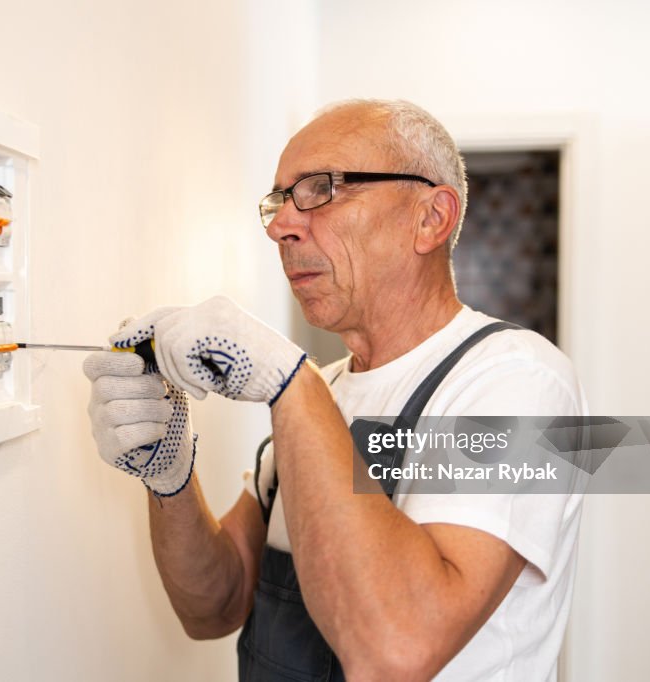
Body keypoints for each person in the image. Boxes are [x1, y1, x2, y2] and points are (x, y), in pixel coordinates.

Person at [84, 99, 587, 681]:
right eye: (278, 200)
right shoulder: (320, 394)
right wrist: (169, 474)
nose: (279, 226)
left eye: (321, 188)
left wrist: (291, 384)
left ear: (431, 218)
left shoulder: (517, 381)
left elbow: (395, 652)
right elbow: (212, 607)